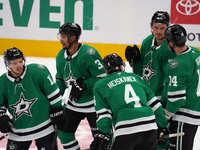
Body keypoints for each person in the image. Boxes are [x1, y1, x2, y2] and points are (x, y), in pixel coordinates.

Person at [90, 53, 169, 150]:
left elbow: (104, 114)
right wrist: (162, 126)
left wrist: (104, 134)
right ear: (121, 66)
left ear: (106, 69)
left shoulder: (100, 85)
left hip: (126, 128)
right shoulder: (137, 78)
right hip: (149, 127)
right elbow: (155, 104)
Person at [0, 47, 67, 150]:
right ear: (7, 65)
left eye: (20, 61)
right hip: (18, 131)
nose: (19, 66)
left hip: (45, 128)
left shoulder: (38, 71)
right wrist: (2, 118)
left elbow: (54, 94)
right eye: (14, 63)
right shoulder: (2, 82)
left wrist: (58, 111)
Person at [55, 22, 107, 150]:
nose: (60, 40)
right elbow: (60, 81)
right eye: (60, 36)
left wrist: (83, 85)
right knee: (64, 134)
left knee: (103, 139)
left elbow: (103, 78)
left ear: (72, 38)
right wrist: (53, 101)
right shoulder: (60, 56)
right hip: (73, 105)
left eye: (63, 36)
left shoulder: (89, 54)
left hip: (95, 105)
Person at [162, 24, 200, 150]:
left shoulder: (177, 65)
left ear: (171, 42)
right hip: (195, 109)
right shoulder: (195, 52)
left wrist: (166, 116)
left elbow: (176, 99)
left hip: (183, 116)